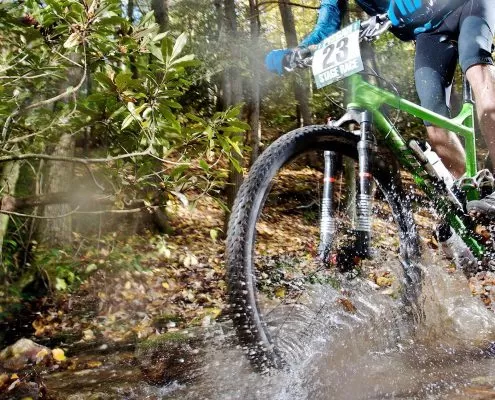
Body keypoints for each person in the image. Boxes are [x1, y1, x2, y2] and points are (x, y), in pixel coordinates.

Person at [265, 0, 495, 216]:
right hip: (428, 32)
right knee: (435, 127)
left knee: (478, 71)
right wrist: (298, 52)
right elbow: (327, 25)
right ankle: (473, 199)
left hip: (468, 6)